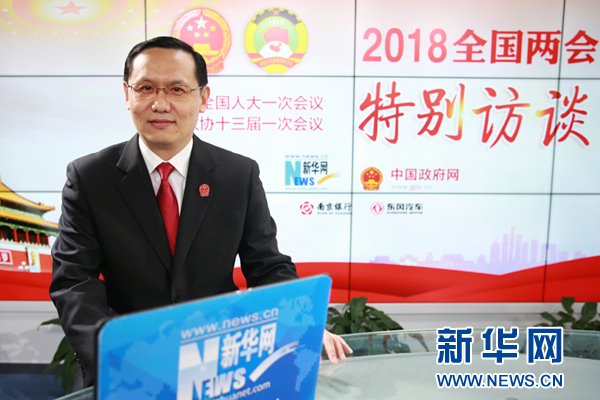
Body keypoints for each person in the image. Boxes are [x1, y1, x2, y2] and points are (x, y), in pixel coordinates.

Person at [49, 36, 351, 390]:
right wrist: (116, 353)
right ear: (127, 95)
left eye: (177, 89)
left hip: (219, 365)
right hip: (128, 364)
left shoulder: (238, 175)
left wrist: (303, 325)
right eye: (146, 88)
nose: (160, 103)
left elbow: (266, 265)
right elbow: (75, 281)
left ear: (203, 97)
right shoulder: (90, 178)